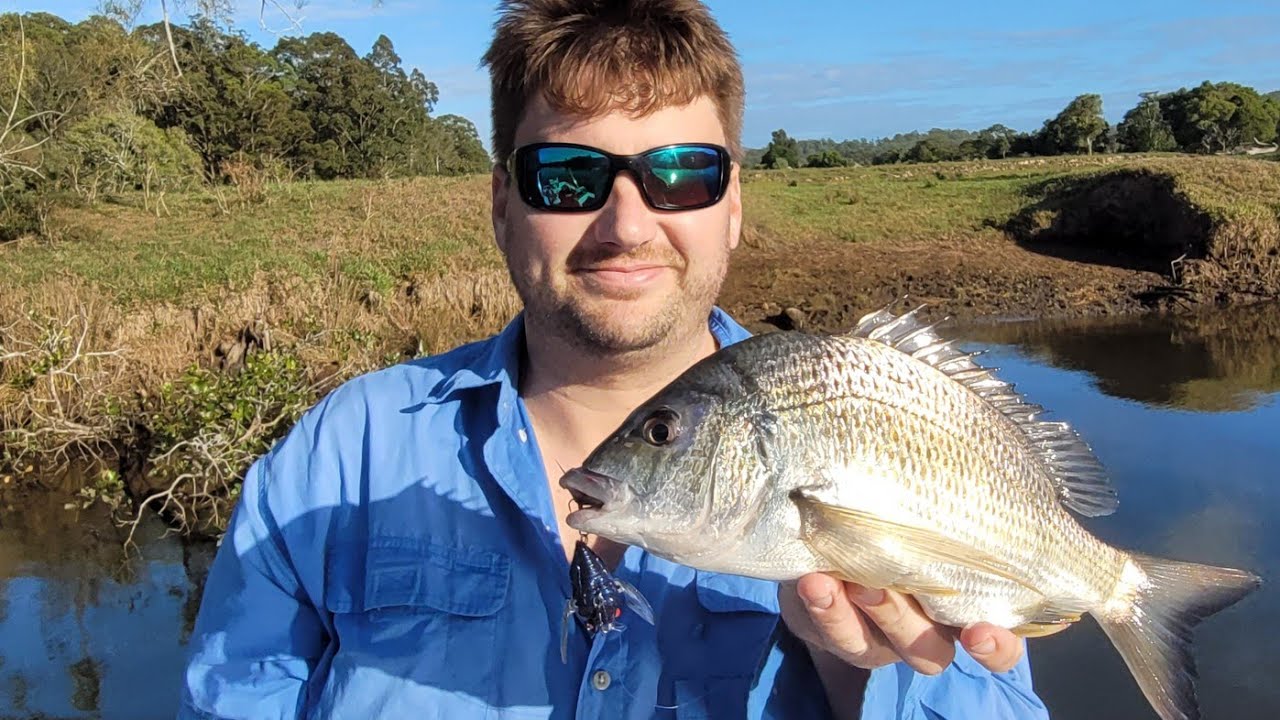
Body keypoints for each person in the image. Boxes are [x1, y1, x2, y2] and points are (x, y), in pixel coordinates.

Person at [179, 1, 1051, 718]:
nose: (627, 225)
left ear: (733, 205)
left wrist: (855, 676)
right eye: (567, 175)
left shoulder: (896, 433)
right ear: (502, 203)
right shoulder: (339, 456)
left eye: (682, 174)